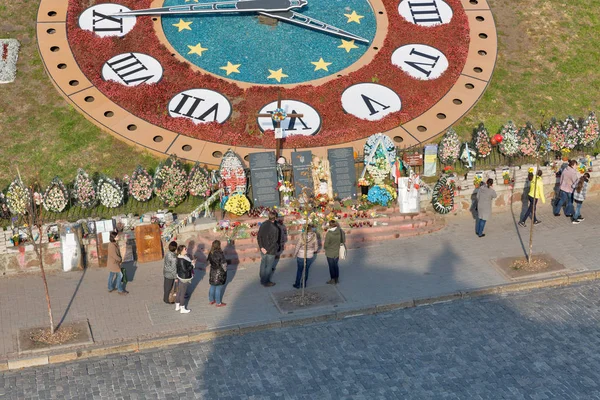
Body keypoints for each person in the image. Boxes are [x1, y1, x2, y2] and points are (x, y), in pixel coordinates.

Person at [257, 210, 281, 287]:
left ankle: (262, 277)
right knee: (269, 266)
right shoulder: (275, 229)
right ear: (276, 218)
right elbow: (274, 241)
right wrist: (266, 249)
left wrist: (261, 247)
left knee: (263, 263)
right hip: (270, 250)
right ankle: (265, 281)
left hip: (263, 248)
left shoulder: (263, 224)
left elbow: (259, 236)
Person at [292, 224, 318, 289]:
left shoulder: (302, 236)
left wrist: (295, 254)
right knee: (306, 270)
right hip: (309, 255)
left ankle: (297, 284)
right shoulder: (314, 236)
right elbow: (316, 247)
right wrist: (314, 250)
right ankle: (304, 283)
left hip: (301, 255)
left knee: (299, 270)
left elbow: (298, 245)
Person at [207, 240, 228, 307]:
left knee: (212, 286)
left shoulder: (211, 253)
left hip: (212, 271)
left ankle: (211, 300)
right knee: (218, 287)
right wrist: (225, 270)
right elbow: (223, 263)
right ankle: (218, 302)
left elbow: (208, 261)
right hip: (219, 272)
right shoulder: (220, 253)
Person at [324, 220, 345, 284]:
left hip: (330, 252)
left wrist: (326, 247)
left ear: (330, 225)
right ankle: (337, 279)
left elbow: (326, 244)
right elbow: (343, 241)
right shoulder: (341, 231)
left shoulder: (329, 233)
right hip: (337, 251)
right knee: (335, 265)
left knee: (331, 266)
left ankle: (332, 279)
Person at [175, 245, 194, 314]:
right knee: (182, 293)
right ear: (181, 251)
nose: (186, 250)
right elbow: (185, 270)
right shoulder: (182, 259)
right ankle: (182, 308)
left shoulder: (180, 257)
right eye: (185, 249)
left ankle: (177, 306)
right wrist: (192, 265)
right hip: (184, 278)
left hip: (180, 276)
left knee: (179, 291)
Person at [107, 231, 128, 295]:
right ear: (114, 238)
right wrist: (120, 259)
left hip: (112, 263)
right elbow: (115, 255)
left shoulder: (113, 243)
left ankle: (110, 287)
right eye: (117, 236)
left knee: (111, 275)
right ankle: (120, 290)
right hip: (114, 263)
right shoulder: (112, 246)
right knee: (120, 275)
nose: (118, 237)